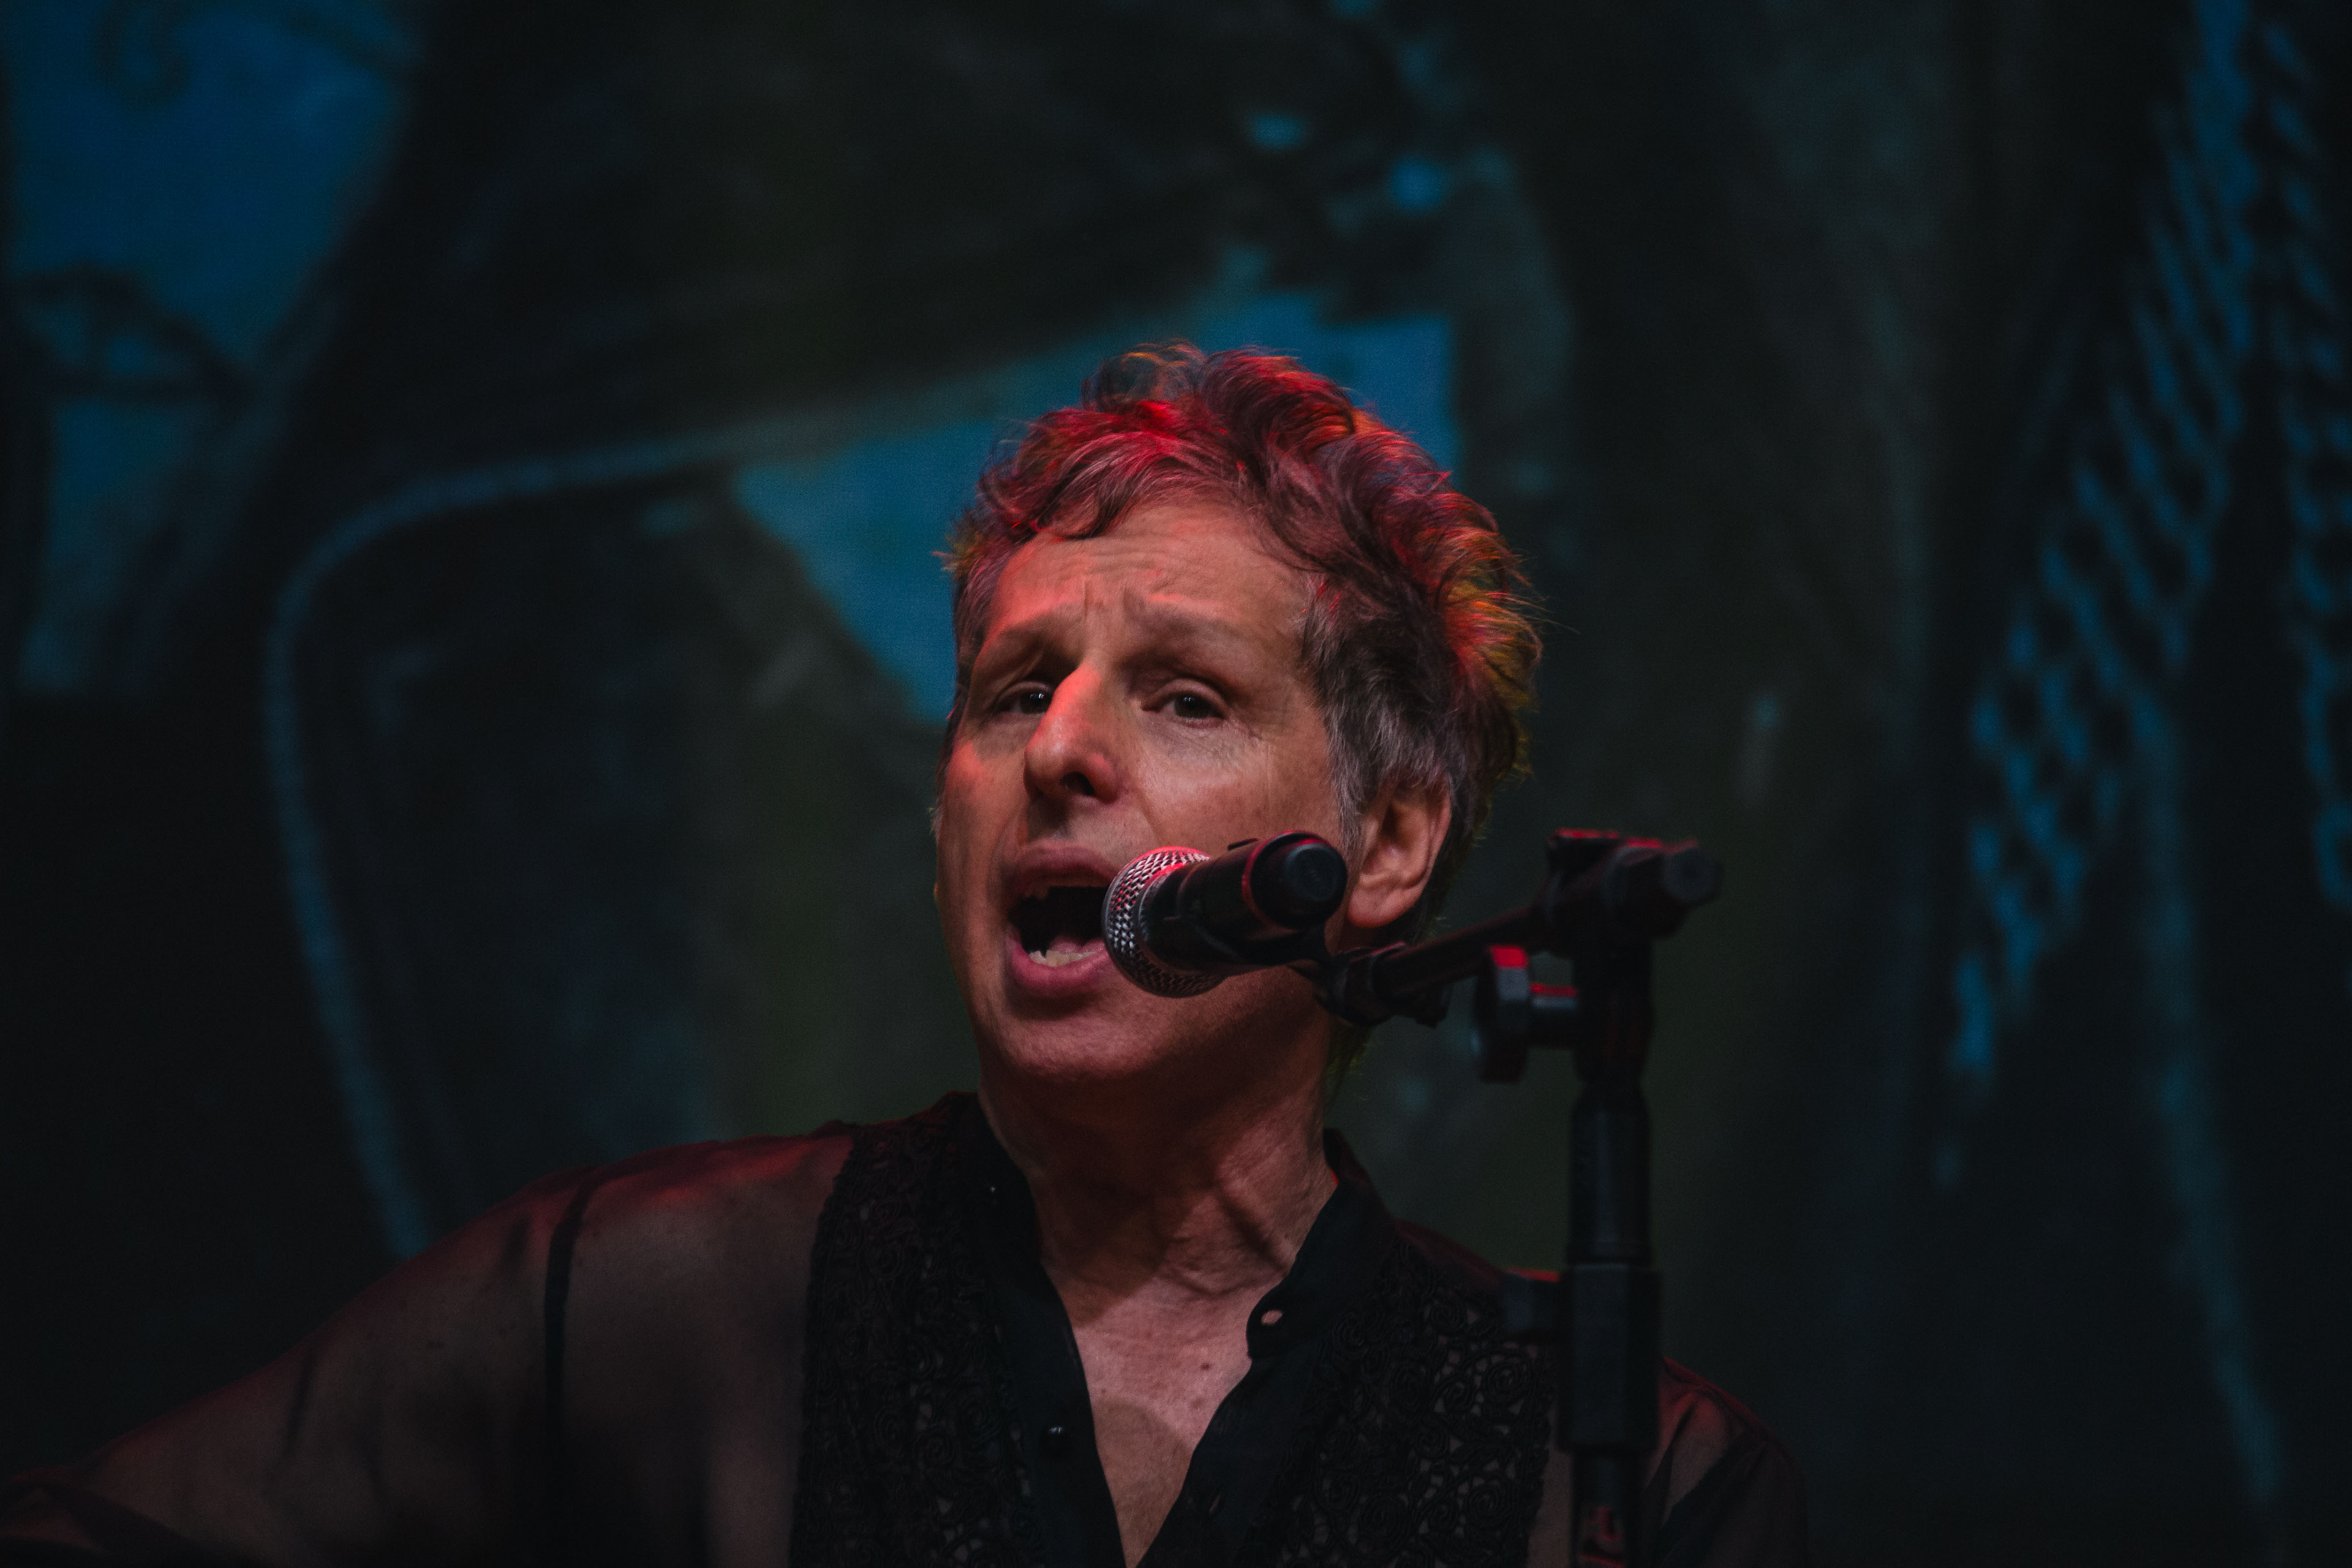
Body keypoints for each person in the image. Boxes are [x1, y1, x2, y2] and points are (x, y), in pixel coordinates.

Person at [1, 347, 1807, 1567]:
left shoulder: (1627, 1478)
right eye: (1013, 692)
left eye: (1184, 696)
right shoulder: (640, 1306)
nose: (1060, 750)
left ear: (1390, 844)